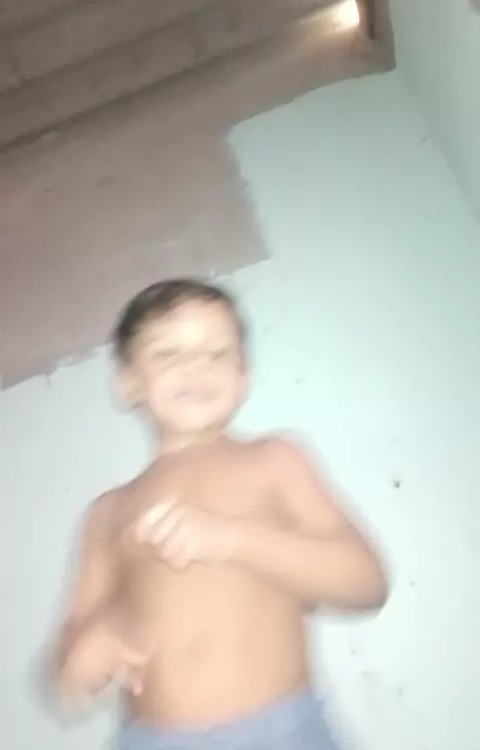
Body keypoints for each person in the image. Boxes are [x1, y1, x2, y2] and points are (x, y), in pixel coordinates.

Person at [52, 279, 388, 749]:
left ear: (243, 376)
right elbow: (74, 633)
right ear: (128, 382)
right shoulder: (107, 513)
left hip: (280, 732)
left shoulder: (274, 459)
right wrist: (82, 655)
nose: (197, 367)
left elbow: (366, 583)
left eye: (217, 353)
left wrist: (233, 539)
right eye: (168, 354)